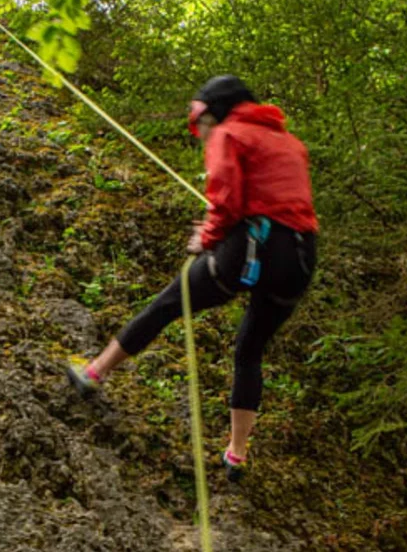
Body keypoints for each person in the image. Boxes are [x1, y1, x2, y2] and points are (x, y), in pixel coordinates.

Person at [66, 75, 319, 483]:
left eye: (199, 119)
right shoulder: (290, 142)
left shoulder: (229, 133)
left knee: (169, 303)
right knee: (250, 349)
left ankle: (93, 372)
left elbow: (227, 198)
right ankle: (237, 454)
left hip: (251, 248)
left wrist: (207, 236)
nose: (199, 131)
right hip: (300, 257)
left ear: (216, 111)